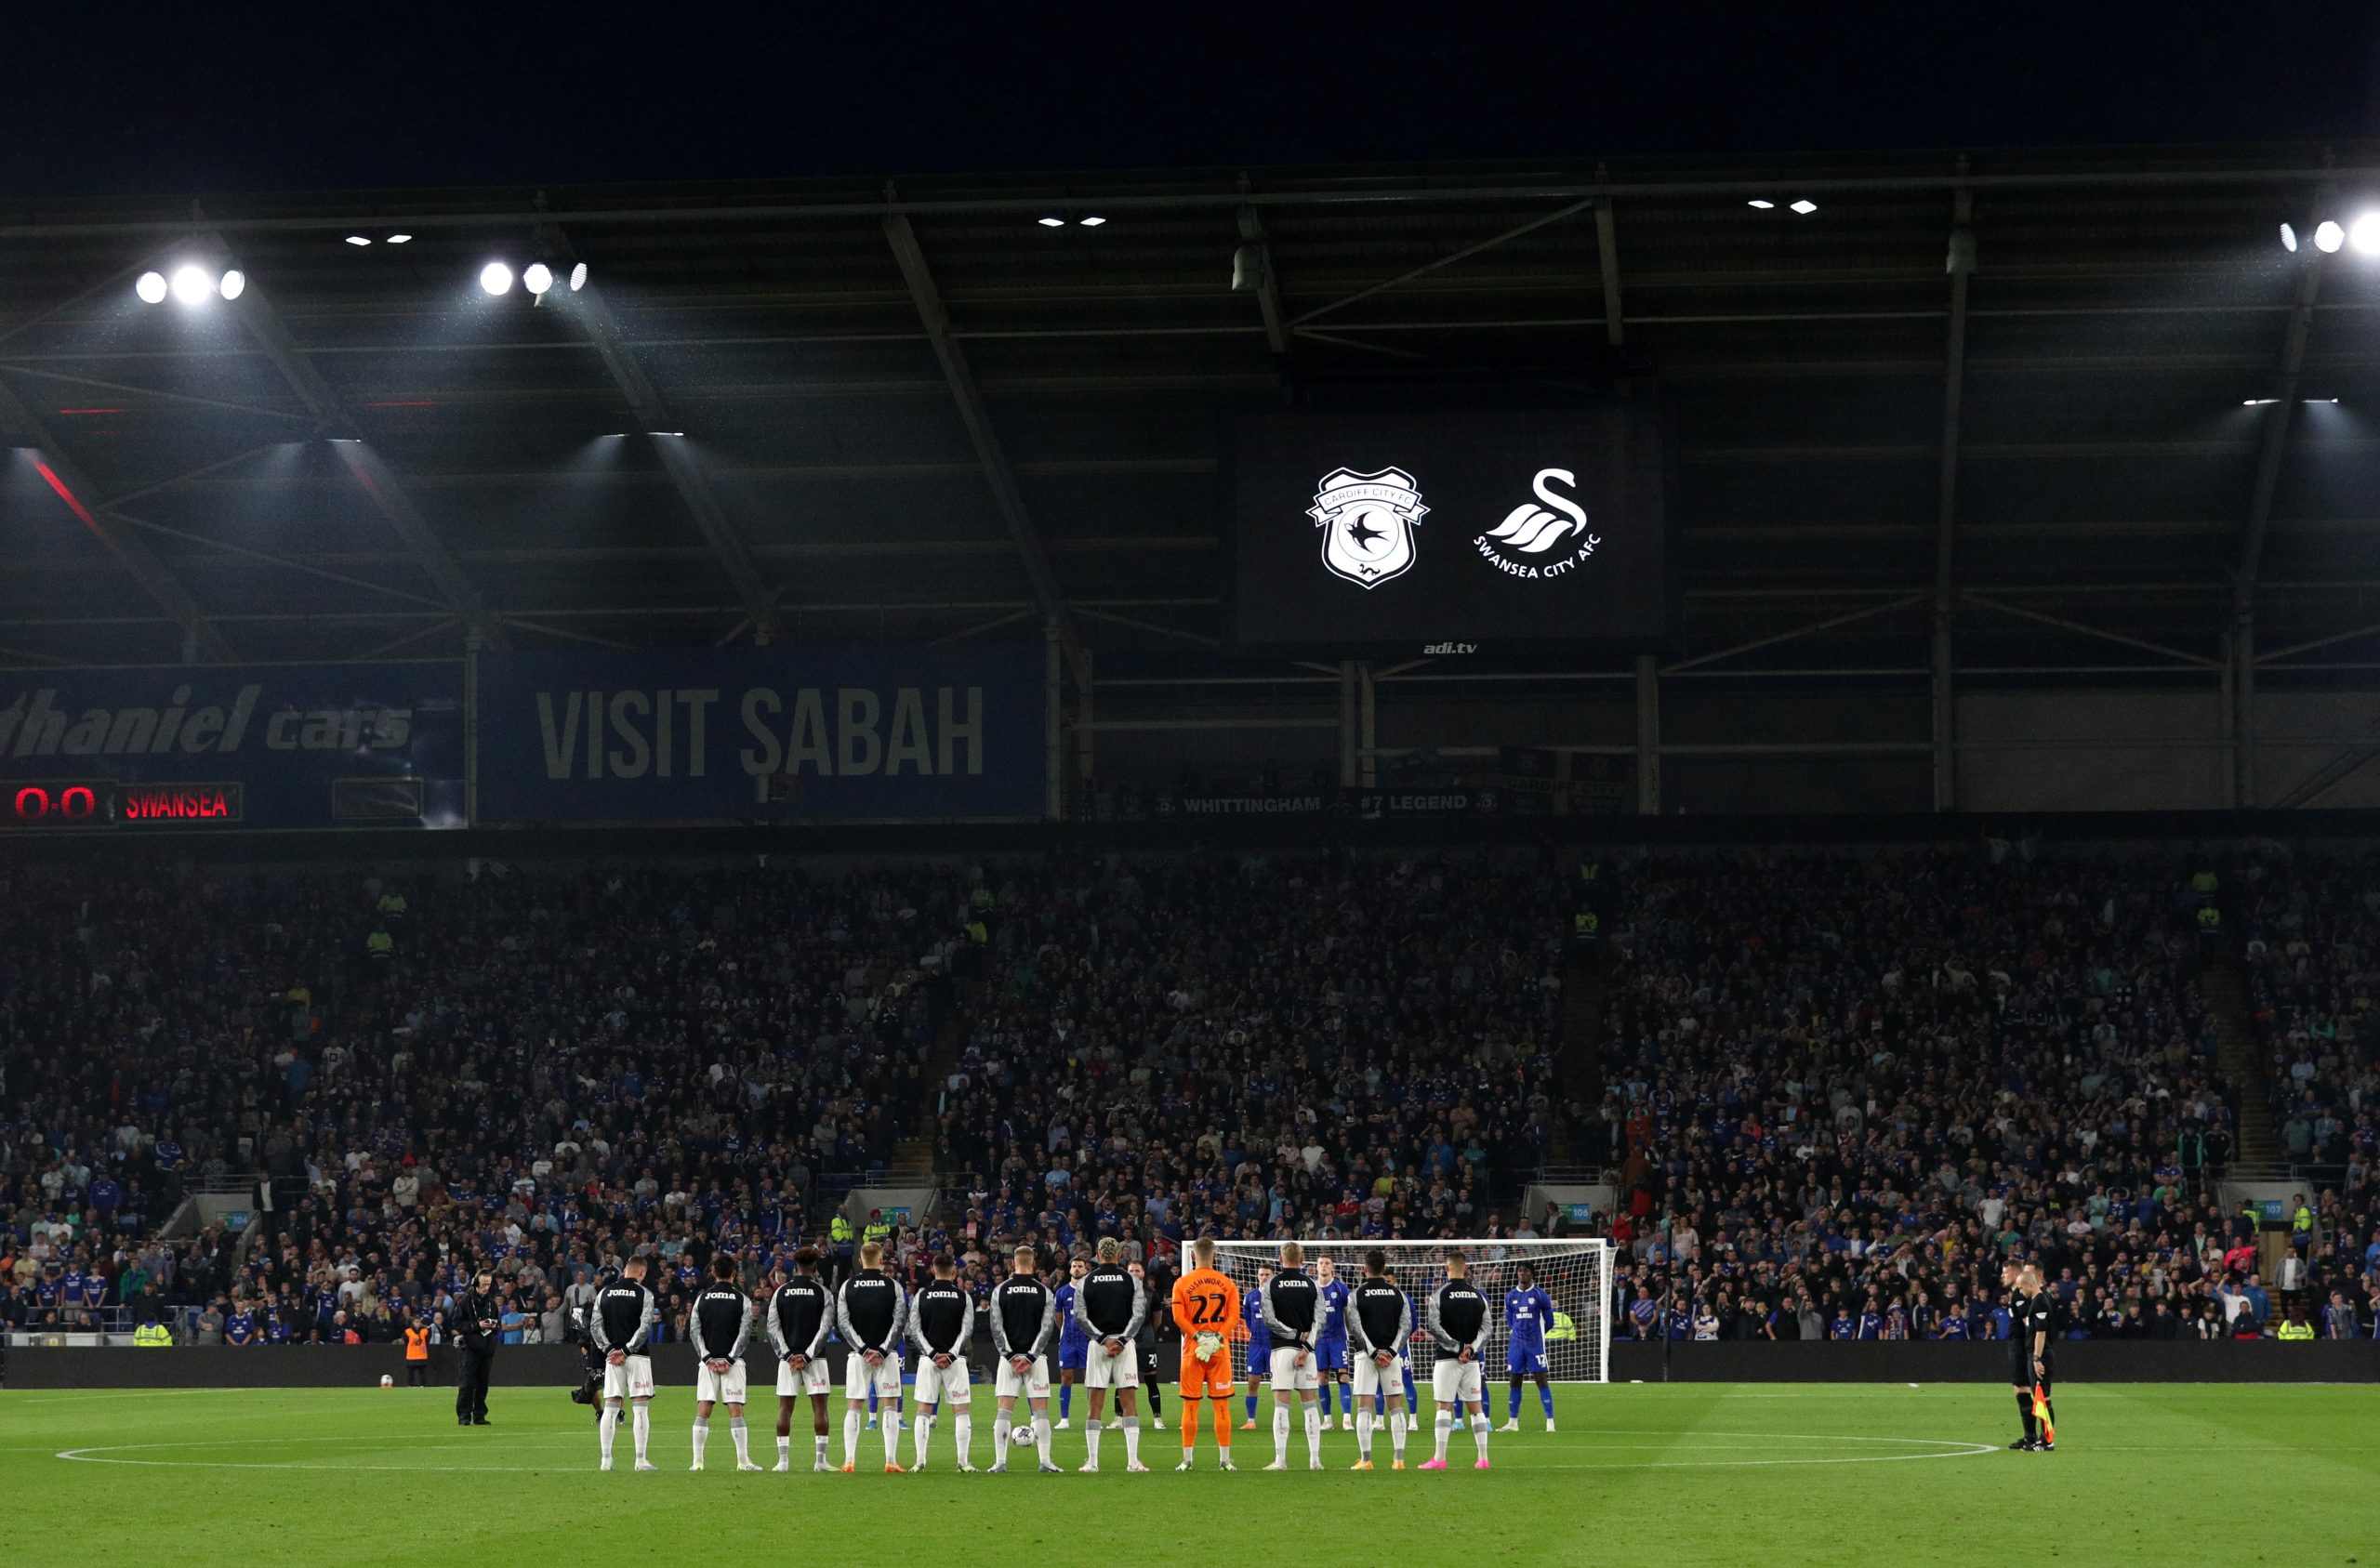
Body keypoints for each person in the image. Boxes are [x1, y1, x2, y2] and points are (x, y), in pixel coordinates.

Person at [1073, 1237, 1148, 1472]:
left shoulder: (1086, 1281)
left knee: (1095, 1403)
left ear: (1098, 1254)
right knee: (1129, 1402)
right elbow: (1139, 1315)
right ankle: (1133, 1461)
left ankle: (1092, 1462)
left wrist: (1104, 1339)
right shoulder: (1131, 1280)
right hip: (1125, 1346)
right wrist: (1123, 1340)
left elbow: (1079, 1317)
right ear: (1119, 1254)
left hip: (1099, 1347)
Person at [1168, 1234, 1241, 1472]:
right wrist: (1217, 1338)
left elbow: (1178, 1317)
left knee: (1190, 1407)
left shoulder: (1181, 1283)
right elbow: (1234, 1317)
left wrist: (1198, 1337)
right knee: (1221, 1407)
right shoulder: (1227, 1283)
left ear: (1192, 1255)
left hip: (1192, 1351)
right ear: (1215, 1255)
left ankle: (1187, 1461)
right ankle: (1225, 1461)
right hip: (1220, 1351)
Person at [988, 1244, 1062, 1475]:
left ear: (1013, 1263)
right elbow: (1047, 1327)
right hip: (1035, 1359)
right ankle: (1045, 1461)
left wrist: (1010, 1355)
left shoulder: (1000, 1290)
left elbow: (996, 1327)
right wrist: (1030, 1356)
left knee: (1003, 1410)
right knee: (1040, 1411)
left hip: (1007, 1360)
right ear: (1034, 1263)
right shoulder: (1044, 1292)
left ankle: (1000, 1462)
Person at [835, 1238, 907, 1473]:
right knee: (890, 1405)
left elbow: (843, 1323)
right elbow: (899, 1321)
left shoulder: (848, 1286)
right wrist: (883, 1349)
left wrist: (863, 1349)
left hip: (858, 1356)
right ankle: (890, 1460)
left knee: (854, 1405)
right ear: (880, 1260)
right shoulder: (893, 1286)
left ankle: (849, 1460)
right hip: (887, 1355)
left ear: (860, 1261)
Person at [688, 1255, 760, 1472]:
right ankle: (742, 1461)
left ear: (713, 1273)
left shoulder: (702, 1299)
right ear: (734, 1274)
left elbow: (694, 1331)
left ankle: (698, 1462)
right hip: (733, 1363)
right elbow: (745, 1333)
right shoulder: (742, 1300)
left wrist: (707, 1357)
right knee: (736, 1409)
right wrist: (729, 1358)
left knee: (703, 1409)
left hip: (707, 1363)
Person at [766, 1249, 837, 1472]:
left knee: (785, 1408)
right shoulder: (822, 1292)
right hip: (815, 1359)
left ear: (794, 1267)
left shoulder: (781, 1292)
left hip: (787, 1360)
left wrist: (788, 1355)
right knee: (820, 1408)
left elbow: (772, 1327)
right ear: (814, 1267)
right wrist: (807, 1355)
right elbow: (825, 1328)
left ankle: (783, 1462)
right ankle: (820, 1461)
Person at [1423, 1247, 1492, 1470]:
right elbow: (1487, 1328)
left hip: (1447, 1359)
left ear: (1447, 1268)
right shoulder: (1478, 1295)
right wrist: (1472, 1349)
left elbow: (1434, 1326)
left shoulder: (1439, 1295)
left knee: (1444, 1406)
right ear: (1466, 1269)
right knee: (1476, 1408)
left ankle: (1439, 1458)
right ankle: (1483, 1458)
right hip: (1472, 1361)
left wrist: (1457, 1347)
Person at [1258, 1240, 1324, 1471]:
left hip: (1282, 1349)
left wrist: (1293, 1335)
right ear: (1302, 1259)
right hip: (1308, 1351)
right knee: (1310, 1405)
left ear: (1280, 1258)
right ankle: (1315, 1460)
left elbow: (1269, 1319)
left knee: (1281, 1404)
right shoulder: (1313, 1285)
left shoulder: (1271, 1285)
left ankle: (1281, 1460)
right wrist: (1306, 1346)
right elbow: (1320, 1321)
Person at [907, 1253, 975, 1472]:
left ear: (933, 1270)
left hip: (929, 1361)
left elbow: (915, 1330)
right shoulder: (964, 1297)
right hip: (956, 1361)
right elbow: (967, 1330)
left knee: (923, 1410)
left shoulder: (921, 1296)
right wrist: (951, 1355)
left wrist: (933, 1353)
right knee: (961, 1410)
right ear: (954, 1271)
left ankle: (919, 1461)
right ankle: (963, 1462)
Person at [1347, 1248, 1413, 1470]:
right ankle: (1399, 1460)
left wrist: (1374, 1352)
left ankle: (1366, 1460)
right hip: (1392, 1357)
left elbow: (1355, 1328)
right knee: (1395, 1407)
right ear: (1384, 1269)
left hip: (1366, 1356)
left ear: (1365, 1269)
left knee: (1364, 1407)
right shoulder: (1398, 1295)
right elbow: (1406, 1326)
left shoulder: (1356, 1294)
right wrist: (1392, 1352)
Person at [592, 1257, 658, 1471]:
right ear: (642, 1273)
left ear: (625, 1271)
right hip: (637, 1357)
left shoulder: (605, 1292)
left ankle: (606, 1460)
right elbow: (645, 1325)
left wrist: (610, 1350)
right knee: (640, 1408)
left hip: (612, 1359)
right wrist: (628, 1350)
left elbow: (595, 1326)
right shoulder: (644, 1294)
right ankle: (640, 1460)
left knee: (610, 1408)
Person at [1501, 1260, 1556, 1433]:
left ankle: (1550, 1422)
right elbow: (1510, 1320)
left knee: (1541, 1380)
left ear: (1532, 1274)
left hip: (1535, 1345)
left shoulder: (1540, 1295)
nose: (1522, 1274)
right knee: (1514, 1380)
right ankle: (1512, 1422)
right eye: (1520, 1271)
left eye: (1525, 1271)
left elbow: (1550, 1322)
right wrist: (1517, 1333)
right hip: (1517, 1344)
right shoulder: (1510, 1296)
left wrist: (1536, 1335)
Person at [2011, 1263, 2060, 1453]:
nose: (2020, 1292)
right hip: (2036, 1354)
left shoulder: (2039, 1302)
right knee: (2039, 1397)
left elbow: (2041, 1332)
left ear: (2029, 1285)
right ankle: (2044, 1438)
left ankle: (2048, 1440)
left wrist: (2037, 1359)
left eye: (2021, 1288)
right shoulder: (2037, 1301)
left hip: (2040, 1355)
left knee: (2043, 1398)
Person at [453, 1269, 500, 1428]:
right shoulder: (465, 1302)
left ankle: (479, 1415)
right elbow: (457, 1323)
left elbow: (498, 1325)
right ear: (475, 1283)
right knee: (467, 1384)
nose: (486, 1287)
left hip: (486, 1349)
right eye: (484, 1284)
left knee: (482, 1385)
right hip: (470, 1349)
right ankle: (464, 1417)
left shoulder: (491, 1303)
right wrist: (476, 1325)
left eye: (489, 1284)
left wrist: (493, 1326)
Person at [1314, 1254, 1354, 1429]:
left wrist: (1352, 1333)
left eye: (1327, 1263)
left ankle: (1346, 1419)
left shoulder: (1340, 1288)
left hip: (1338, 1339)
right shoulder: (1312, 1289)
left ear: (1332, 1267)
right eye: (1321, 1263)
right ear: (1316, 1267)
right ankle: (1327, 1419)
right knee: (1322, 1378)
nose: (1323, 1266)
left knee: (1343, 1376)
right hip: (1320, 1340)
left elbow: (1348, 1313)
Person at [1053, 1252, 1089, 1430]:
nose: (1077, 1268)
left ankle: (1092, 1418)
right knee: (1066, 1377)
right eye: (1074, 1266)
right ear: (1070, 1269)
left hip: (1087, 1341)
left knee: (1089, 1379)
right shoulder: (1062, 1292)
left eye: (1080, 1266)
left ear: (1085, 1269)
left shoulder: (1090, 1289)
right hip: (1068, 1341)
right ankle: (1064, 1419)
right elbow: (1058, 1318)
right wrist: (1065, 1332)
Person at [1241, 1260, 1275, 1429]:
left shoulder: (1278, 1295)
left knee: (1278, 1383)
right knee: (1253, 1381)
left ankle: (1280, 1419)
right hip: (1256, 1344)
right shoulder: (1251, 1297)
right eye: (1261, 1275)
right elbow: (1247, 1318)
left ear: (1273, 1276)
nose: (1264, 1277)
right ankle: (1251, 1420)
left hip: (1274, 1344)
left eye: (1267, 1275)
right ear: (1257, 1276)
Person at [403, 1316, 430, 1387]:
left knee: (422, 1372)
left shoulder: (425, 1331)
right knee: (410, 1372)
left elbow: (427, 1341)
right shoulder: (408, 1331)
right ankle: (410, 1385)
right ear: (413, 1323)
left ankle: (422, 1385)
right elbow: (406, 1342)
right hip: (411, 1355)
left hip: (422, 1355)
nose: (418, 1323)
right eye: (416, 1322)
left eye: (419, 1322)